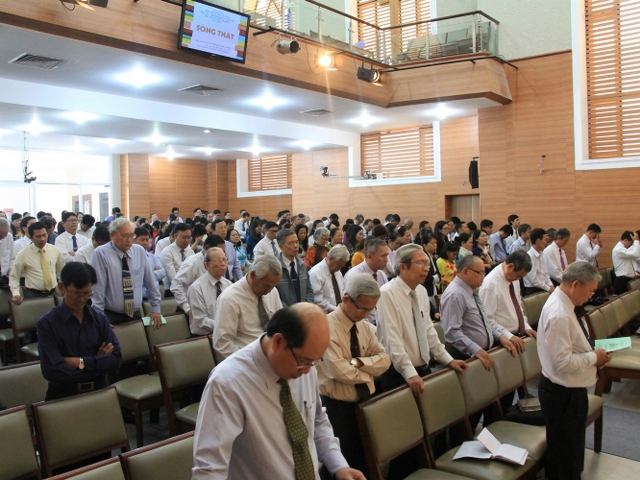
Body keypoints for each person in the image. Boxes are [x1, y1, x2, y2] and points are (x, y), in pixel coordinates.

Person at [193, 303, 365, 480]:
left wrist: (339, 466)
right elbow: (210, 468)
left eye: (313, 362)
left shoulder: (305, 366)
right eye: (304, 361)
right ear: (278, 342)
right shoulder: (228, 384)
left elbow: (317, 420)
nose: (307, 370)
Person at [537, 262, 611, 480]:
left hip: (569, 391)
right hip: (562, 394)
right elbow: (563, 362)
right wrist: (594, 358)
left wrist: (594, 357)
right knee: (563, 456)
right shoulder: (559, 313)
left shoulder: (566, 304)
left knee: (571, 450)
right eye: (590, 291)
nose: (590, 296)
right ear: (576, 284)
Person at [318, 274, 391, 477]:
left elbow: (385, 360)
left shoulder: (364, 327)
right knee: (339, 466)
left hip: (366, 404)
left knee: (366, 462)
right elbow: (338, 371)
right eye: (363, 308)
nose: (366, 314)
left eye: (371, 309)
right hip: (339, 409)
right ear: (346, 299)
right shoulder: (326, 327)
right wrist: (370, 373)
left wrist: (358, 362)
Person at [377, 244, 468, 397]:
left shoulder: (421, 290)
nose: (426, 269)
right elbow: (391, 339)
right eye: (420, 263)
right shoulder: (387, 293)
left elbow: (428, 330)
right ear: (403, 267)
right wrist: (409, 372)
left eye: (427, 263)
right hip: (398, 373)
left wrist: (447, 359)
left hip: (423, 368)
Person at [37, 262, 121, 400]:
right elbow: (53, 370)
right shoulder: (47, 323)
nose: (82, 299)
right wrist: (97, 365)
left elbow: (115, 360)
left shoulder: (99, 319)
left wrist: (79, 362)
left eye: (87, 293)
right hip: (63, 395)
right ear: (62, 287)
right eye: (76, 293)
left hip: (98, 391)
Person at [90, 218, 162, 327]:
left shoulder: (139, 251)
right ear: (112, 235)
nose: (129, 240)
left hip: (135, 313)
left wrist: (156, 309)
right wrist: (100, 318)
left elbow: (150, 282)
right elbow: (98, 289)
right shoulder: (101, 253)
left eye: (132, 236)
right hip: (110, 315)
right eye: (125, 236)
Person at [213, 256, 283, 363]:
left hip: (272, 355)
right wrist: (252, 362)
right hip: (246, 360)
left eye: (274, 286)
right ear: (253, 275)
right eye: (267, 286)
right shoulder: (229, 299)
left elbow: (280, 325)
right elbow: (222, 345)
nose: (269, 291)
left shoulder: (272, 291)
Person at [478, 251, 537, 341]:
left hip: (518, 333)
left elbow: (518, 307)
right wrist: (509, 336)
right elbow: (486, 319)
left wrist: (526, 326)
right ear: (510, 267)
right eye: (518, 276)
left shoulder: (514, 279)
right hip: (503, 338)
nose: (518, 279)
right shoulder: (490, 285)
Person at [10, 221, 65, 304]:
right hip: (33, 295)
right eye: (38, 236)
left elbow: (62, 272)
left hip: (53, 293)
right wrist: (16, 294)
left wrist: (63, 289)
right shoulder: (23, 254)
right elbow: (14, 276)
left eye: (44, 235)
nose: (42, 239)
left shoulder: (55, 250)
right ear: (31, 237)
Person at [342, 238, 389, 326]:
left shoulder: (381, 274)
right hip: (362, 325)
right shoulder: (354, 276)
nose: (386, 260)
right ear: (370, 256)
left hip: (382, 323)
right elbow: (350, 309)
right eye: (383, 256)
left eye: (387, 255)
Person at [188, 247, 232, 335]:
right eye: (218, 260)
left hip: (228, 332)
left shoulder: (229, 284)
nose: (223, 264)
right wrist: (225, 326)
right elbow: (201, 320)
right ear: (207, 265)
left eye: (224, 260)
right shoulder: (196, 288)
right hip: (205, 336)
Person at [276, 229, 314, 306]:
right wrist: (290, 311)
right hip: (285, 311)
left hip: (304, 310)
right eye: (291, 243)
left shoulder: (302, 264)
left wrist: (306, 307)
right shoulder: (275, 267)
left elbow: (309, 289)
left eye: (297, 242)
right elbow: (275, 297)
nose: (296, 246)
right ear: (281, 246)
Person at [309, 245, 349, 313]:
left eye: (342, 266)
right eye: (338, 265)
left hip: (339, 312)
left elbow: (342, 290)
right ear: (331, 259)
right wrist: (338, 310)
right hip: (323, 314)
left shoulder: (337, 272)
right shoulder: (315, 273)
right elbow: (318, 301)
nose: (339, 269)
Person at [160, 223, 194, 295]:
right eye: (184, 237)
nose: (187, 240)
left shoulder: (189, 250)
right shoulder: (167, 252)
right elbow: (173, 279)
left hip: (190, 289)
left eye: (189, 237)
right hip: (172, 291)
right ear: (175, 236)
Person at [523, 228, 555, 296]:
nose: (546, 243)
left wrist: (551, 285)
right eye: (545, 240)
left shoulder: (542, 254)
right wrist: (548, 288)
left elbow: (546, 273)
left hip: (544, 288)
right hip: (533, 291)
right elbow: (533, 280)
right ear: (538, 241)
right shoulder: (529, 256)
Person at [0, 218, 14, 289]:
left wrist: (11, 275)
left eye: (4, 235)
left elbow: (12, 258)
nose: (2, 238)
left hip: (5, 278)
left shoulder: (8, 237)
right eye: (0, 236)